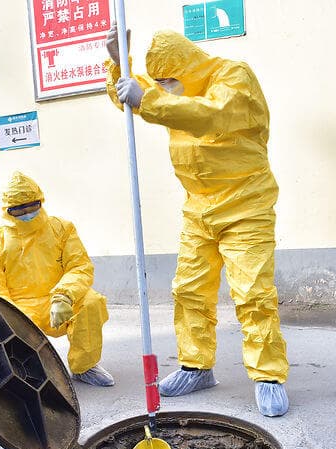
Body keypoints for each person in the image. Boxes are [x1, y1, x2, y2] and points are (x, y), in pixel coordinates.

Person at [105, 25, 290, 416]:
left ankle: (268, 376)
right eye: (160, 83)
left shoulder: (233, 76)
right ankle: (196, 366)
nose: (164, 88)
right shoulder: (175, 90)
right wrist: (119, 63)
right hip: (198, 207)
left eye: (170, 80)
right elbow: (133, 95)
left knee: (253, 294)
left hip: (246, 204)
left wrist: (149, 100)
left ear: (188, 68)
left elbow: (211, 115)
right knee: (189, 290)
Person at [0, 171, 114, 387]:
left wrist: (64, 296)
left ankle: (84, 366)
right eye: (19, 209)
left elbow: (79, 266)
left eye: (31, 206)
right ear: (7, 210)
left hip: (58, 301)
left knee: (91, 303)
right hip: (20, 308)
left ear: (40, 201)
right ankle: (26, 372)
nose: (26, 213)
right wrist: (9, 313)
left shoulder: (62, 228)